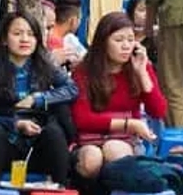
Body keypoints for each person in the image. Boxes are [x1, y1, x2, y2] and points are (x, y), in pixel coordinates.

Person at [0, 11, 79, 187]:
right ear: (4, 39)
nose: (25, 39)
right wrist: (15, 124)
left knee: (54, 132)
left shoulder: (45, 64)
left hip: (37, 138)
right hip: (5, 137)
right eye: (17, 34)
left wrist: (38, 98)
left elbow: (72, 89)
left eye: (31, 34)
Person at [70, 11, 166, 182]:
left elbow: (158, 111)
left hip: (126, 141)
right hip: (88, 140)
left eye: (130, 40)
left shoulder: (140, 67)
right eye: (119, 40)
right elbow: (82, 118)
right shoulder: (83, 71)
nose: (126, 46)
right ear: (103, 42)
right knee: (91, 160)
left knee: (114, 150)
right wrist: (131, 124)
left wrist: (143, 73)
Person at [47, 0, 86, 68]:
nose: (79, 22)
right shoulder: (55, 42)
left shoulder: (65, 38)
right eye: (80, 19)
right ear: (73, 20)